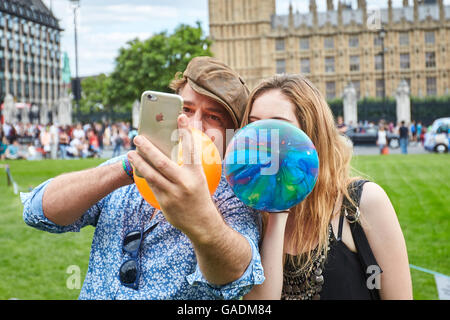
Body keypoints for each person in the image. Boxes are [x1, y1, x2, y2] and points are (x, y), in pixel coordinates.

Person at [21, 56, 264, 299]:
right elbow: (38, 212)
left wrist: (202, 220)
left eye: (214, 117)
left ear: (231, 135)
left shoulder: (234, 196)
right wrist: (128, 169)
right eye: (186, 110)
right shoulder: (126, 169)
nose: (193, 126)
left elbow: (236, 274)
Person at [241, 74, 412, 300]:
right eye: (254, 126)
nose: (262, 140)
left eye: (279, 126)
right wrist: (277, 210)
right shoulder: (248, 211)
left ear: (312, 134)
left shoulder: (363, 202)